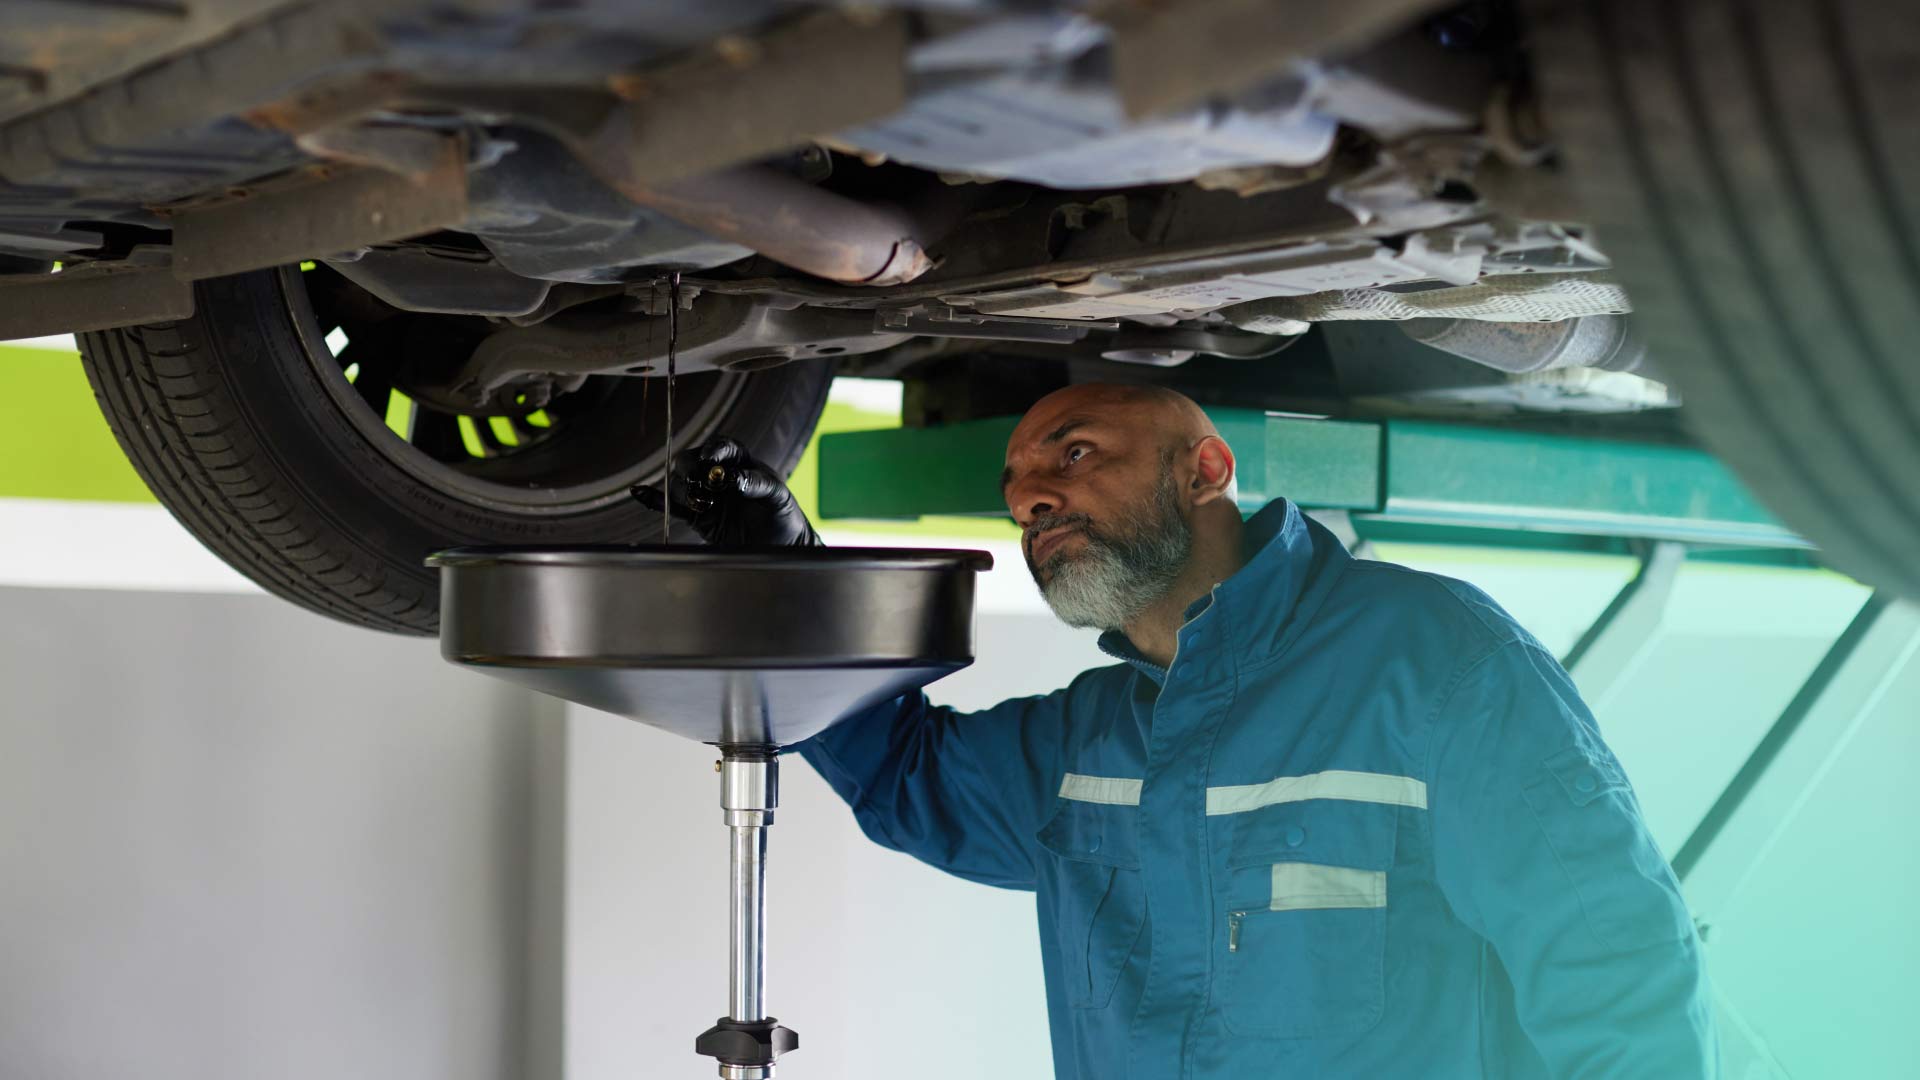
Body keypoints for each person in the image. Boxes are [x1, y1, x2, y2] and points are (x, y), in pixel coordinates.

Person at [640, 384, 1719, 1079]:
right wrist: (789, 568)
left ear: (1204, 471)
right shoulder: (1089, 743)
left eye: (1072, 454)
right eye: (1018, 490)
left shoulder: (1433, 662)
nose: (1032, 499)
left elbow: (1613, 967)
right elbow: (910, 778)